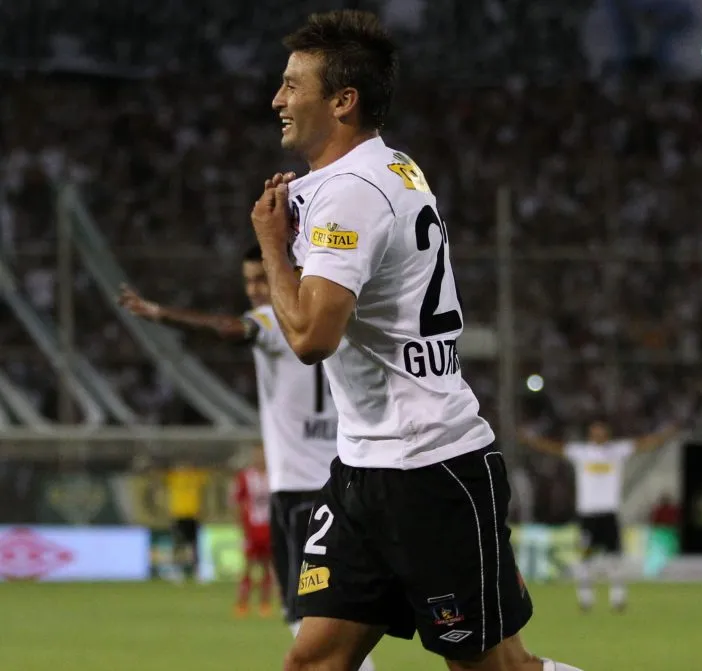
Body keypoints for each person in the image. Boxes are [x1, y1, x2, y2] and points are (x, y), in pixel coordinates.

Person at [250, 10, 581, 671]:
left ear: (343, 101)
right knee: (313, 660)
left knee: (496, 668)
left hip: (431, 469)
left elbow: (314, 336)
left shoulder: (351, 192)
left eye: (293, 85)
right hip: (365, 468)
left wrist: (272, 248)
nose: (277, 99)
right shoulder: (391, 167)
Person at [119, 244, 345, 651]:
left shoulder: (275, 318)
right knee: (330, 618)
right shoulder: (334, 314)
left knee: (307, 619)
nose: (256, 290)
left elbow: (228, 329)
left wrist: (161, 314)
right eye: (249, 281)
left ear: (287, 272)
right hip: (338, 484)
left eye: (262, 277)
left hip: (300, 491)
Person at [519, 419, 676, 611]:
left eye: (601, 431)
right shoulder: (582, 452)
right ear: (590, 435)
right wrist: (531, 440)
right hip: (588, 514)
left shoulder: (616, 451)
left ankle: (618, 598)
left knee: (615, 558)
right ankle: (586, 599)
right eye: (595, 432)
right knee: (586, 558)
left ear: (607, 434)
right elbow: (555, 448)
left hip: (608, 513)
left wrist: (665, 434)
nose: (598, 435)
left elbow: (643, 444)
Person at [233, 446, 275, 618]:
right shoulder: (245, 477)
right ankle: (243, 603)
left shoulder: (274, 475)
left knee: (267, 567)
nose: (260, 458)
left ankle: (265, 603)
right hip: (252, 529)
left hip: (269, 529)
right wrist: (241, 526)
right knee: (248, 567)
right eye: (257, 455)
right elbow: (238, 501)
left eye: (262, 455)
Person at [165, 458, 208, 582]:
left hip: (193, 515)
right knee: (179, 545)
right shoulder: (173, 477)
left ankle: (197, 572)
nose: (183, 468)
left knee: (195, 545)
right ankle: (176, 571)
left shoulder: (196, 477)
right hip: (178, 515)